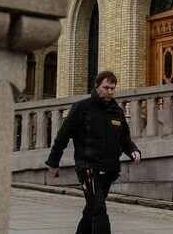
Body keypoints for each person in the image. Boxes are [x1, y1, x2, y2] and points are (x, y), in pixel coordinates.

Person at [45, 70, 141, 234]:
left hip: (109, 169)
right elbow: (63, 136)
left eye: (112, 88)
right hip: (87, 167)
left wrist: (133, 150)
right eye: (106, 87)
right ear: (96, 86)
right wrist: (54, 162)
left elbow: (124, 138)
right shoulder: (82, 108)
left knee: (92, 209)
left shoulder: (116, 111)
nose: (110, 91)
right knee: (99, 209)